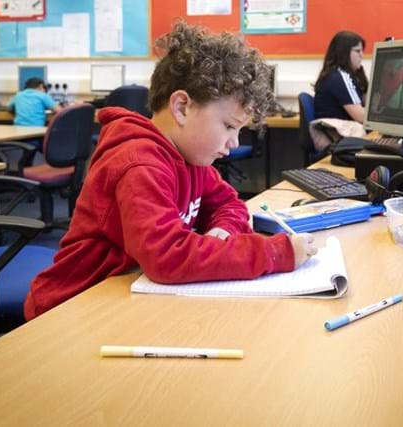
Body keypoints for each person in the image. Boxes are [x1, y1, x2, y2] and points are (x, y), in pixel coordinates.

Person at [23, 22, 317, 320]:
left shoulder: (191, 159)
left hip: (126, 295)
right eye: (229, 125)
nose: (234, 142)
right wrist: (275, 253)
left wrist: (223, 231)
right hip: (72, 307)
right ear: (181, 107)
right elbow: (168, 257)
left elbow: (230, 204)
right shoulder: (140, 164)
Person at [313, 31, 368, 122]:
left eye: (362, 51)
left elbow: (367, 103)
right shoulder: (339, 78)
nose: (362, 55)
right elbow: (361, 117)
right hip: (339, 135)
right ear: (344, 53)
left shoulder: (336, 75)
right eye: (358, 51)